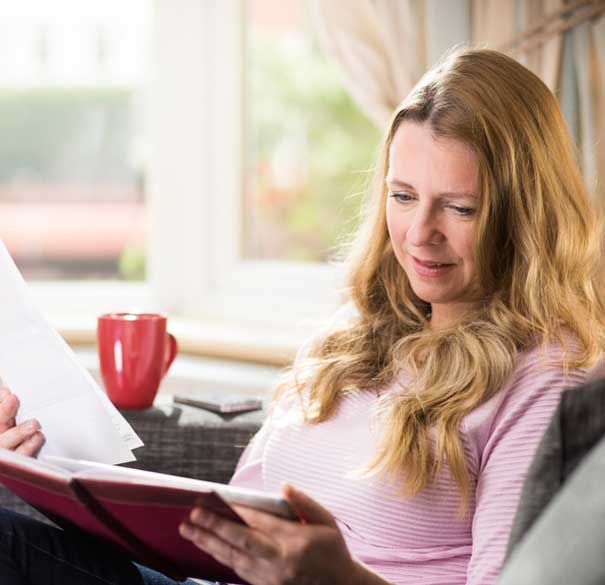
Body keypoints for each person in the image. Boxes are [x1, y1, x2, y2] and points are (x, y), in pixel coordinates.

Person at [0, 46, 603, 585]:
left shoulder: (548, 379)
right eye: (402, 196)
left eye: (460, 207)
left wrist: (341, 580)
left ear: (525, 215)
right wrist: (47, 474)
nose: (420, 234)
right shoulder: (354, 333)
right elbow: (227, 519)